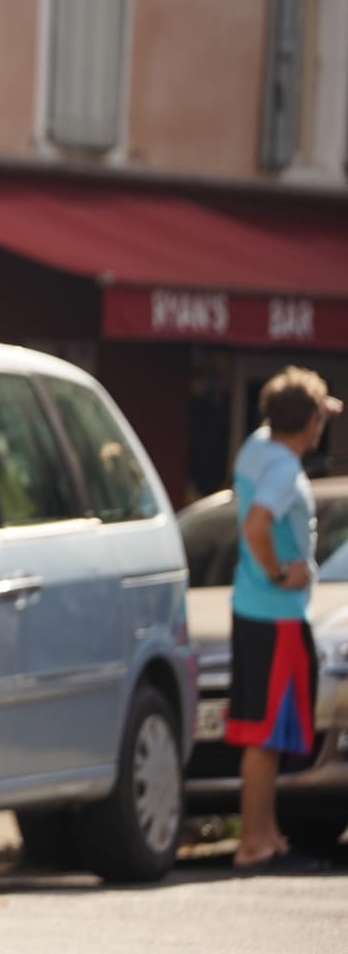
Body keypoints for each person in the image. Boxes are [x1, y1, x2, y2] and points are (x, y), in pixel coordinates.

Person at [227, 366, 339, 873]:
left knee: (267, 732)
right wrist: (279, 573)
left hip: (256, 612)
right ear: (310, 423)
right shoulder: (283, 469)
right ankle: (254, 843)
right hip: (274, 614)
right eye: (320, 417)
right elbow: (256, 526)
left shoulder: (258, 448)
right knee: (266, 734)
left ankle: (269, 837)